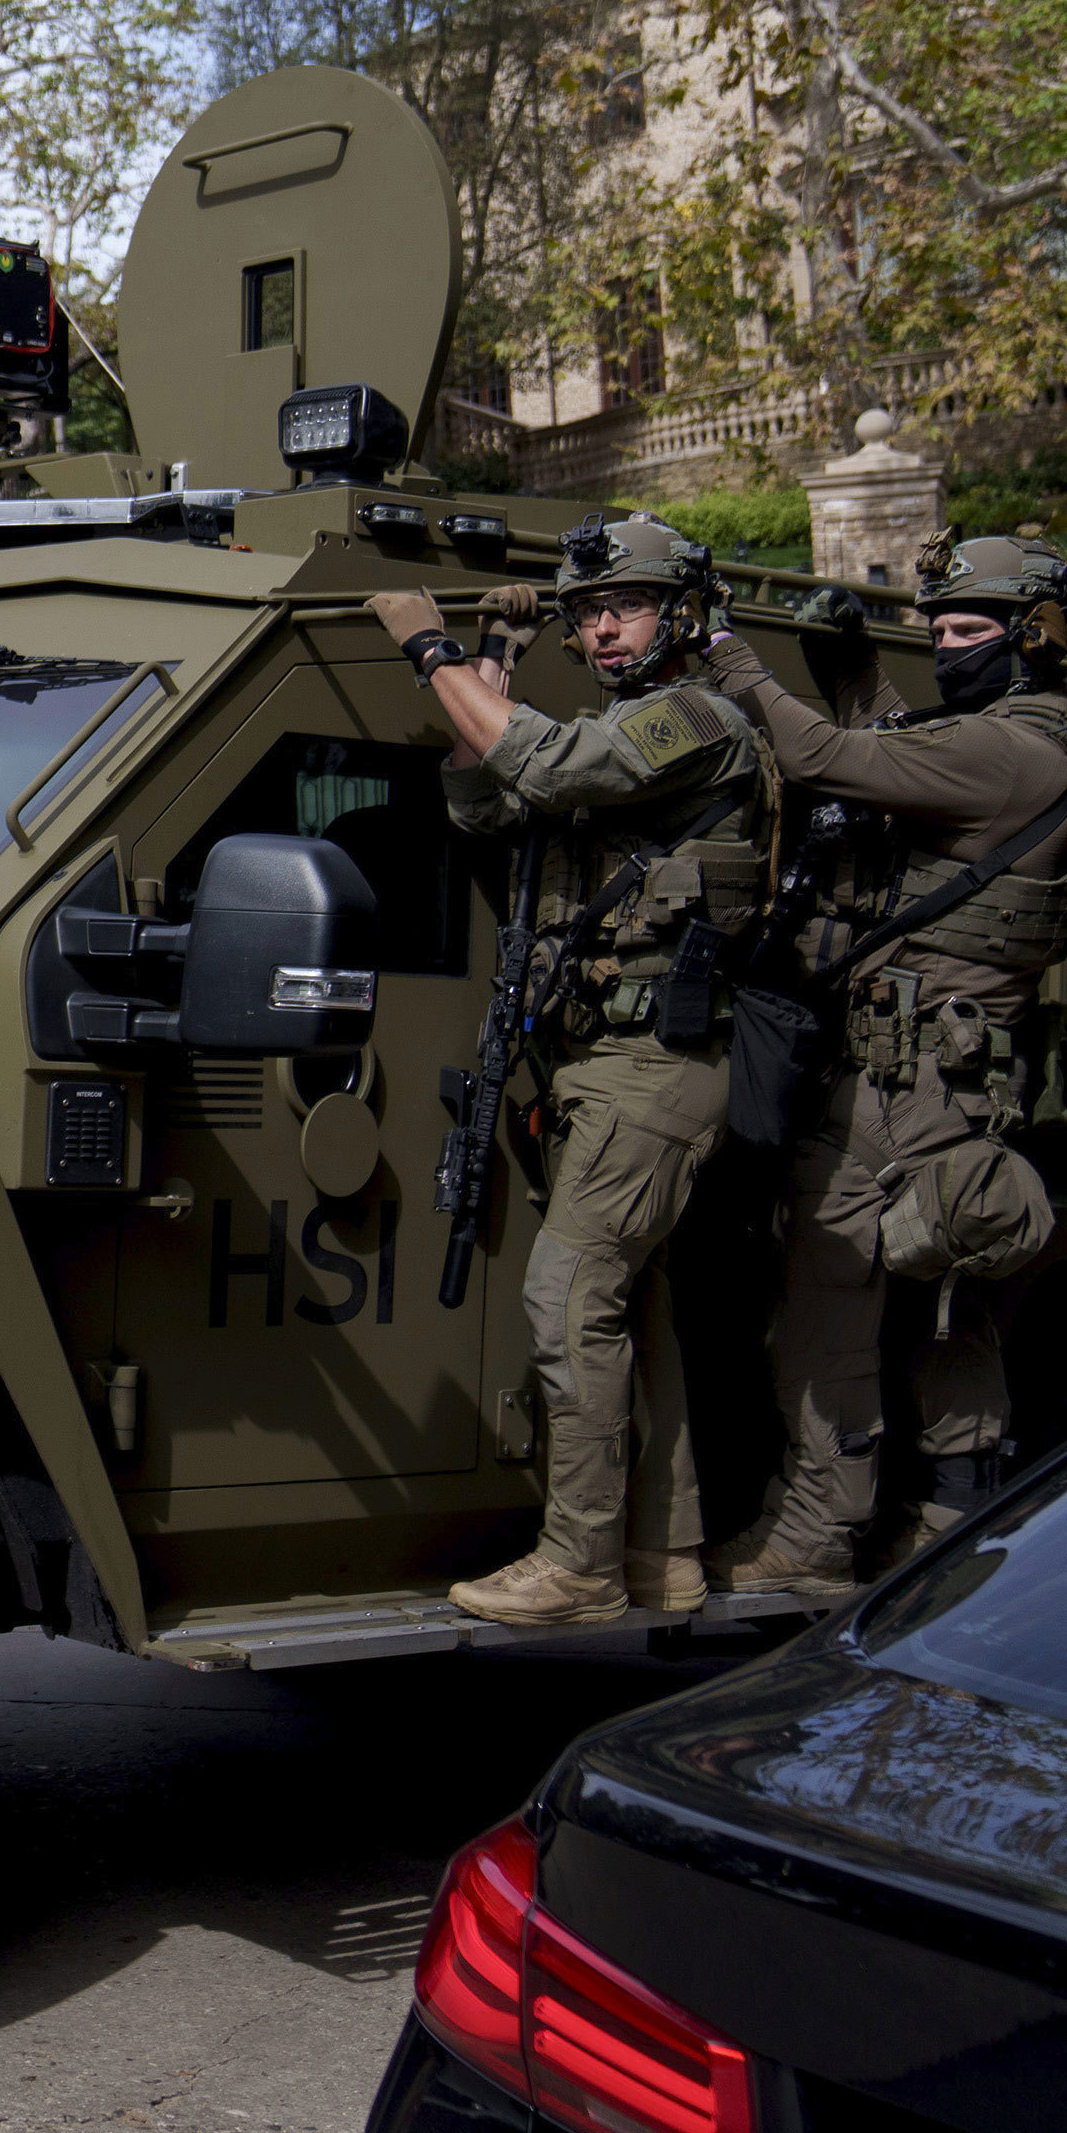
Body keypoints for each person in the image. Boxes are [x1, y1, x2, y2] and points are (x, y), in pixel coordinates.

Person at [366, 514, 768, 1630]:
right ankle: (662, 1556)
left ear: (682, 614)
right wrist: (490, 667)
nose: (599, 628)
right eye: (588, 612)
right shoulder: (618, 722)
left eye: (622, 607)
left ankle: (579, 1563)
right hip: (598, 1059)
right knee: (635, 1308)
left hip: (660, 1062)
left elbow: (541, 760)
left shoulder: (701, 720)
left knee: (571, 1287)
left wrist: (429, 651)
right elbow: (482, 796)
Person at [700, 533, 1067, 1584]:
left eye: (969, 630)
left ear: (1035, 637)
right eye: (935, 629)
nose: (947, 646)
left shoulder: (1010, 749)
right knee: (944, 1303)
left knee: (825, 1304)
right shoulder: (1050, 741)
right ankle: (948, 1520)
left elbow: (830, 762)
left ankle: (814, 1537)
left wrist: (734, 660)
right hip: (958, 1082)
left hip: (895, 1078)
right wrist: (850, 673)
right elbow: (905, 757)